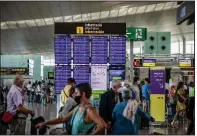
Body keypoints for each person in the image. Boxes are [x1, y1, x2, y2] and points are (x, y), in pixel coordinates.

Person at [36, 83, 106, 135]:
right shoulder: (78, 107)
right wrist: (45, 123)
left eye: (76, 92)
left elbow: (102, 125)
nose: (74, 95)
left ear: (83, 94)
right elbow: (62, 119)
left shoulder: (89, 110)